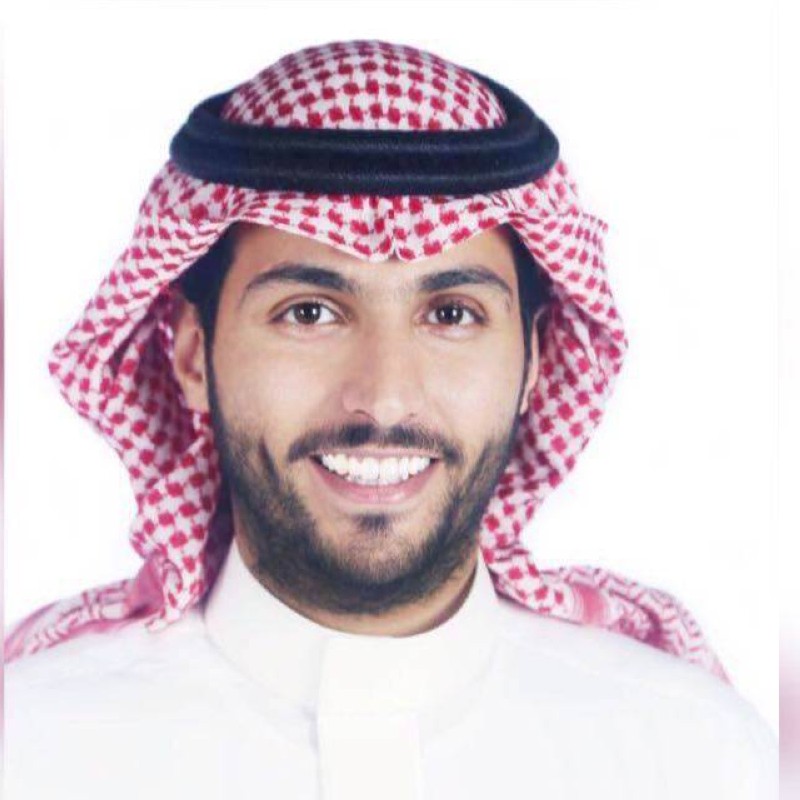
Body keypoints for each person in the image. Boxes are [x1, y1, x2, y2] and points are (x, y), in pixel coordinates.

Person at [3, 40, 777, 799]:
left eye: (451, 314)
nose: (383, 398)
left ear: (536, 362)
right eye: (309, 313)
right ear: (190, 355)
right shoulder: (32, 750)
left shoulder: (691, 757)